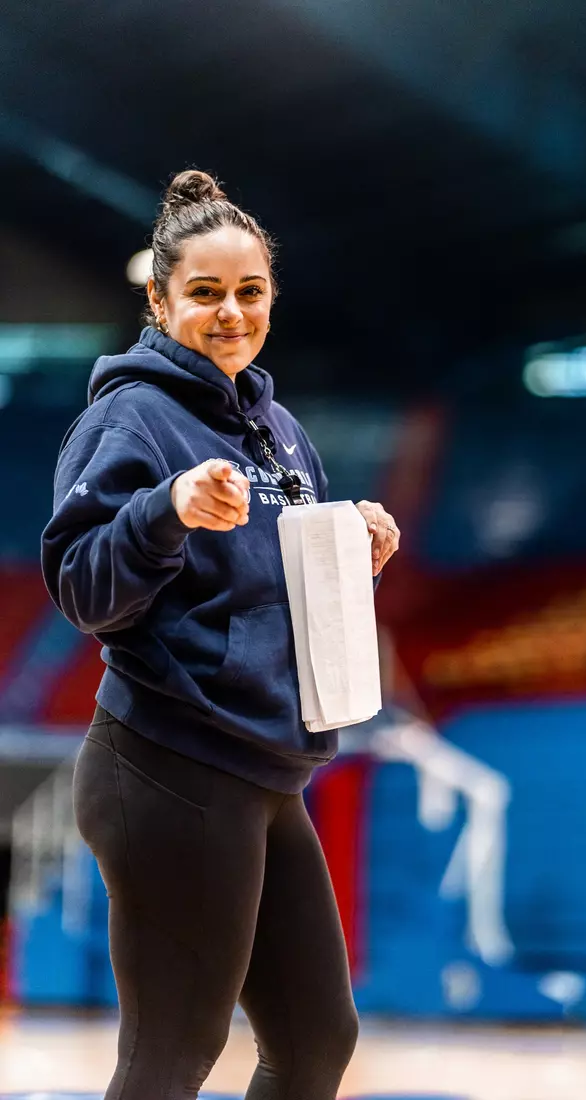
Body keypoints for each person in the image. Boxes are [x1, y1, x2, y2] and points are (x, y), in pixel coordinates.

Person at [41, 169, 400, 1100]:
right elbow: (82, 589)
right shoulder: (129, 417)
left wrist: (349, 545)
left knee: (317, 1039)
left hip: (264, 769)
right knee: (170, 1055)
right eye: (205, 293)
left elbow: (269, 580)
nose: (231, 312)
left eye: (250, 292)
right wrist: (164, 512)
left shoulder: (277, 429)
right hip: (169, 766)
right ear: (160, 301)